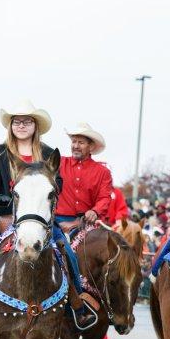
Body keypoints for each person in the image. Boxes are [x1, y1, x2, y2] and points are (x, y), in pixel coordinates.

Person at [54, 122, 113, 328]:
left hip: (85, 223)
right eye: (74, 141)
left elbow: (105, 198)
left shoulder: (101, 172)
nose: (76, 146)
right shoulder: (58, 163)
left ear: (91, 147)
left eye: (81, 142)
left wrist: (95, 210)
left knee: (113, 254)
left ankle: (112, 305)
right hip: (56, 222)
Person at [0, 100, 57, 232]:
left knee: (66, 249)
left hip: (40, 217)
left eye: (27, 121)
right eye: (16, 122)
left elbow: (58, 181)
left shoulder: (48, 154)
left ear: (35, 125)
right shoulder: (0, 154)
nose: (21, 126)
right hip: (4, 216)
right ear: (11, 125)